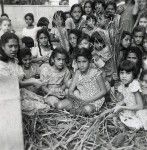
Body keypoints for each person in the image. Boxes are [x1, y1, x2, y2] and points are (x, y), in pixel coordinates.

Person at [0, 32, 49, 115]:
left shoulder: (14, 59)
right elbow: (13, 84)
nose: (14, 49)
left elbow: (22, 78)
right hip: (9, 97)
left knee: (43, 100)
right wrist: (32, 81)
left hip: (20, 92)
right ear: (3, 46)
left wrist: (36, 80)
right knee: (44, 108)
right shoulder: (2, 65)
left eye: (16, 46)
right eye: (10, 46)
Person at [68, 48, 106, 115]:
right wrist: (78, 100)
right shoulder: (77, 73)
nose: (81, 65)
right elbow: (70, 91)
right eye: (79, 62)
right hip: (80, 99)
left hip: (94, 100)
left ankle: (79, 111)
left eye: (84, 61)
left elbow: (103, 91)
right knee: (60, 105)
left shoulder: (96, 73)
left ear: (89, 61)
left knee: (85, 110)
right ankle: (77, 110)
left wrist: (88, 101)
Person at [113, 60, 144, 130]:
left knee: (133, 126)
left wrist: (122, 107)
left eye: (128, 73)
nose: (124, 76)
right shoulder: (124, 84)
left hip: (136, 112)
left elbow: (140, 106)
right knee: (113, 116)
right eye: (122, 73)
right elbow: (128, 98)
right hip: (128, 110)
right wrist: (120, 103)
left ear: (133, 74)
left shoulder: (134, 85)